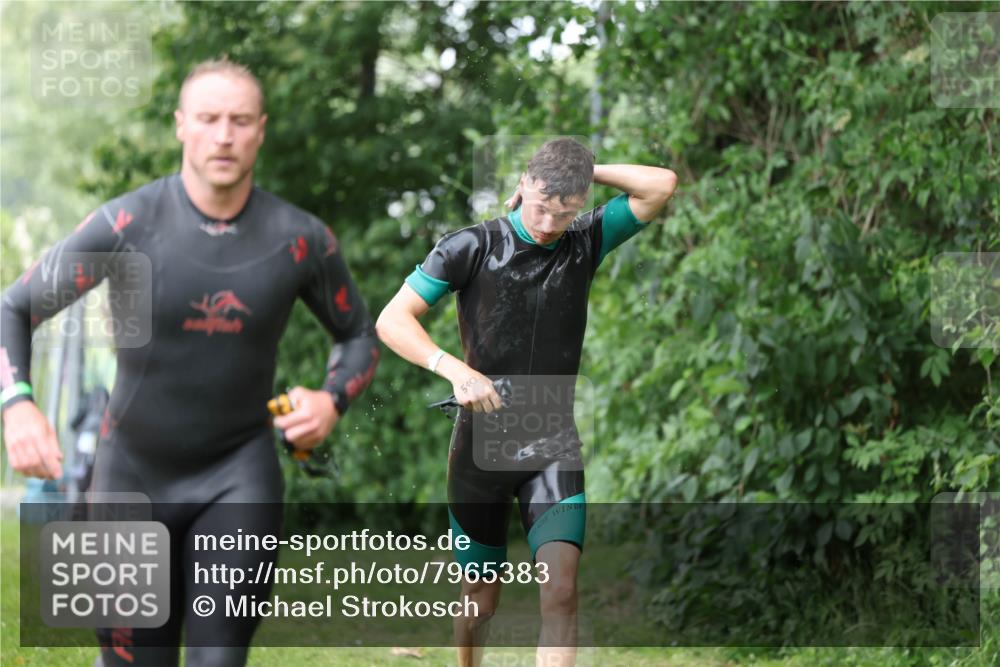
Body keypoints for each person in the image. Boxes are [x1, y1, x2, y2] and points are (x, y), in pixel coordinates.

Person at [0, 59, 380, 667]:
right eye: (208, 119)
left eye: (239, 120)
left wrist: (331, 398)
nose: (223, 135)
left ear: (261, 129)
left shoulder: (300, 239)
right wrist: (16, 404)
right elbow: (14, 307)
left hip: (238, 476)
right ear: (181, 125)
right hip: (129, 476)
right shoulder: (128, 224)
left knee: (217, 661)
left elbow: (359, 333)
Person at [376, 137, 677, 667]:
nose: (547, 222)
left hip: (553, 443)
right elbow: (392, 319)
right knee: (480, 601)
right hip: (480, 447)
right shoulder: (470, 245)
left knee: (560, 589)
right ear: (521, 185)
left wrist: (582, 171)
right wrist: (454, 369)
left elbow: (662, 184)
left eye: (564, 211)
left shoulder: (586, 240)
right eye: (540, 205)